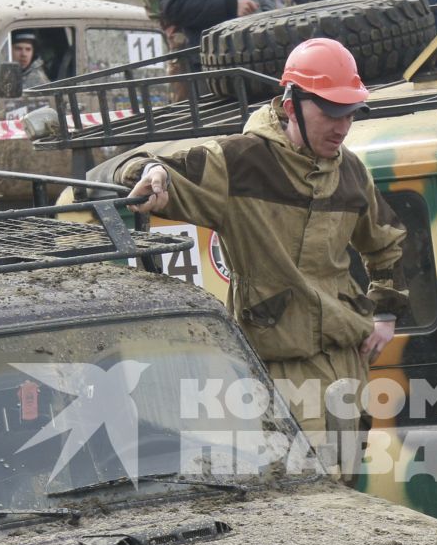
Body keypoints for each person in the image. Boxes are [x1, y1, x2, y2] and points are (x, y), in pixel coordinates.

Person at [120, 38, 407, 470]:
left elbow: (388, 241)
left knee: (344, 505)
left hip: (346, 368)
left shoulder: (350, 172)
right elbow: (142, 166)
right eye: (330, 111)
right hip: (278, 372)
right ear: (291, 104)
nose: (342, 126)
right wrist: (154, 173)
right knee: (305, 507)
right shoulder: (239, 163)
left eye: (350, 112)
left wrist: (386, 314)